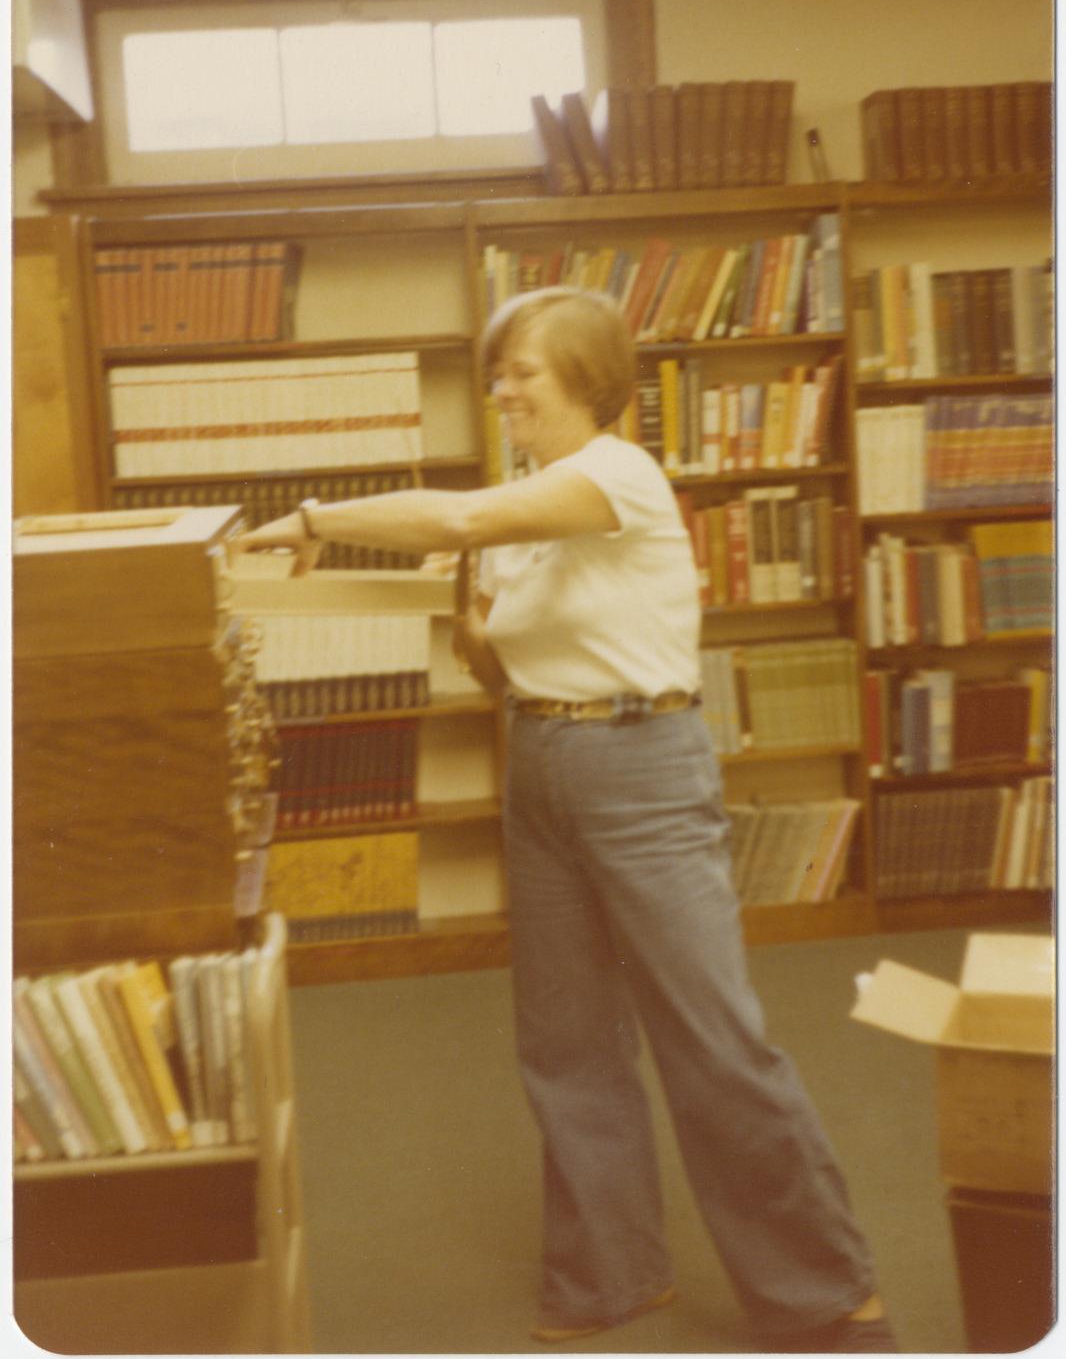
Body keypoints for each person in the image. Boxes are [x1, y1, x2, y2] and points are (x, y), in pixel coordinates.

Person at [234, 287, 898, 1354]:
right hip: (543, 757)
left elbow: (458, 518)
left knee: (714, 1038)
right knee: (565, 1039)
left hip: (639, 766)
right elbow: (511, 660)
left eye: (522, 373)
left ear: (588, 380)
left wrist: (316, 520)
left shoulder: (616, 473)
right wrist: (479, 640)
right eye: (495, 375)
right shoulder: (531, 510)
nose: (502, 392)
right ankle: (611, 1273)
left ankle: (822, 1290)